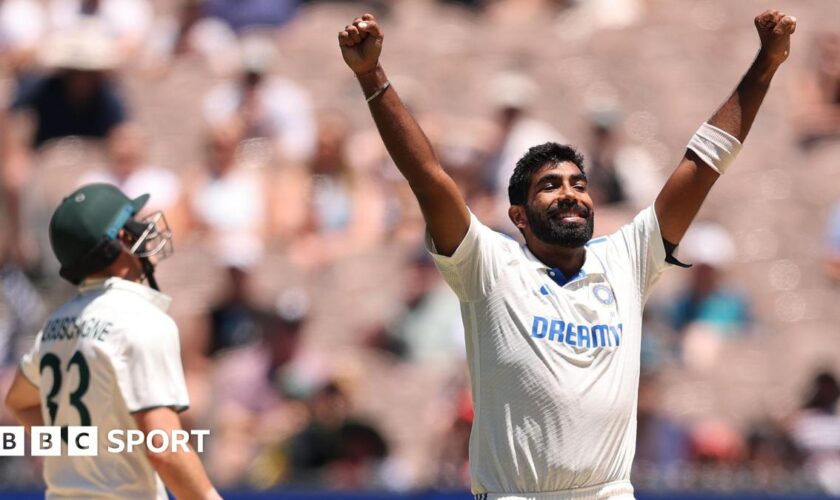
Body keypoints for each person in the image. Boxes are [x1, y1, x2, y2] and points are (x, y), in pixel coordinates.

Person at [338, 9, 795, 499]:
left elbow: (703, 165)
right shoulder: (488, 265)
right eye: (550, 186)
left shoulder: (627, 260)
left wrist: (766, 64)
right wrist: (372, 76)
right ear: (518, 216)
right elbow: (428, 176)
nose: (570, 193)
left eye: (579, 184)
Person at [3, 184, 220, 499]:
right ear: (118, 242)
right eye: (133, 222)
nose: (144, 228)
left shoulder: (54, 325)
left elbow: (19, 401)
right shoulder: (142, 320)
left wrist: (79, 447)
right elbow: (164, 447)